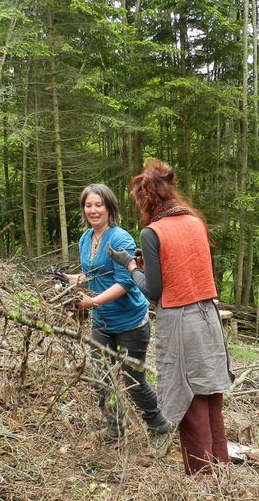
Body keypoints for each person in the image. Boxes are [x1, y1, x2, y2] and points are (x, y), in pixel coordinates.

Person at [107, 161, 233, 475]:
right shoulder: (194, 221)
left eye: (140, 199)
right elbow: (186, 268)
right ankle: (220, 468)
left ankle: (201, 479)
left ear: (148, 198)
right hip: (209, 318)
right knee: (209, 395)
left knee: (189, 400)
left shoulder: (153, 232)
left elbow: (153, 291)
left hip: (180, 321)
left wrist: (130, 266)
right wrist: (145, 261)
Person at [58, 184, 172, 439]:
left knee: (133, 379)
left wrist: (90, 303)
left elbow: (125, 282)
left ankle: (159, 427)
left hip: (130, 321)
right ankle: (115, 426)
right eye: (89, 205)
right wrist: (72, 279)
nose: (93, 210)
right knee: (100, 375)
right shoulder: (86, 239)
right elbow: (94, 274)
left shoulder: (121, 238)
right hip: (102, 323)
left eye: (98, 205)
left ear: (109, 208)